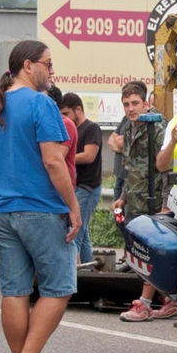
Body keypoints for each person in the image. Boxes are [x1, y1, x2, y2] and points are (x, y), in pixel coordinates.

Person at [0, 40, 78, 353]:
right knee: (59, 286)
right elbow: (53, 161)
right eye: (48, 64)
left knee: (14, 290)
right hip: (40, 207)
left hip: (1, 210)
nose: (51, 71)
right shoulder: (42, 104)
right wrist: (73, 207)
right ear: (28, 65)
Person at [112, 81, 177, 323]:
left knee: (147, 252)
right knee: (138, 251)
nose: (131, 108)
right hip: (135, 202)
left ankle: (145, 304)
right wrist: (121, 198)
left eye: (135, 103)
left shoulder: (158, 129)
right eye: (126, 104)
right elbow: (131, 167)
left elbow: (165, 169)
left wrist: (165, 205)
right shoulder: (129, 129)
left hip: (155, 200)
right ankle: (171, 300)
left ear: (146, 104)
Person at [59, 93, 104, 265]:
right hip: (76, 186)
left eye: (66, 114)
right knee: (83, 234)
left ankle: (75, 274)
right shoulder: (70, 129)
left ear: (78, 110)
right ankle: (87, 271)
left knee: (75, 231)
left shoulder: (91, 128)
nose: (64, 119)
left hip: (87, 186)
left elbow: (89, 155)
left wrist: (65, 157)